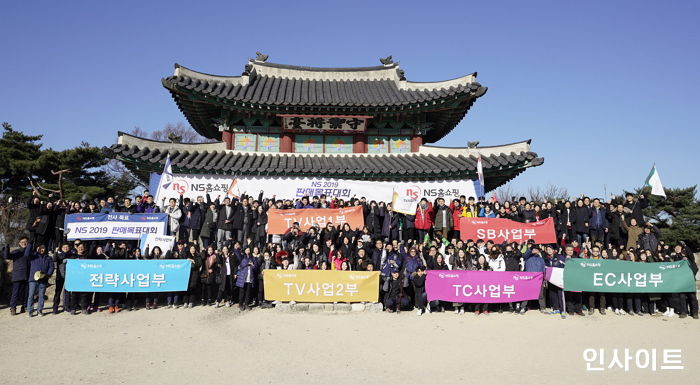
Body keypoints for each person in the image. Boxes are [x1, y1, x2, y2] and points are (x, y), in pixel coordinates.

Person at [3, 237, 32, 316]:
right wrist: (7, 247)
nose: (24, 243)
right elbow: (6, 256)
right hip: (17, 275)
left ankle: (24, 306)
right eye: (22, 242)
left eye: (25, 242)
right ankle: (13, 308)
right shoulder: (16, 252)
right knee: (15, 293)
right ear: (19, 243)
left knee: (25, 293)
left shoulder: (29, 252)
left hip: (27, 275)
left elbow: (28, 255)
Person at [26, 244, 54, 317]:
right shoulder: (33, 256)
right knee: (31, 295)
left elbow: (51, 267)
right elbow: (26, 253)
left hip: (43, 279)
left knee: (41, 295)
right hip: (33, 279)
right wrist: (30, 244)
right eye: (40, 248)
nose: (42, 250)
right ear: (37, 248)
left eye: (43, 248)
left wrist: (48, 274)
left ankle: (39, 310)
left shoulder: (49, 258)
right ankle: (30, 311)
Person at [519, 245, 546, 314]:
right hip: (529, 278)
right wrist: (530, 248)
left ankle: (542, 308)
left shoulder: (541, 259)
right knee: (526, 293)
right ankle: (522, 307)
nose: (534, 251)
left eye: (536, 249)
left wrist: (544, 277)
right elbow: (525, 255)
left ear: (538, 251)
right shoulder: (528, 257)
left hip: (539, 279)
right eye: (533, 249)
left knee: (540, 294)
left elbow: (543, 269)